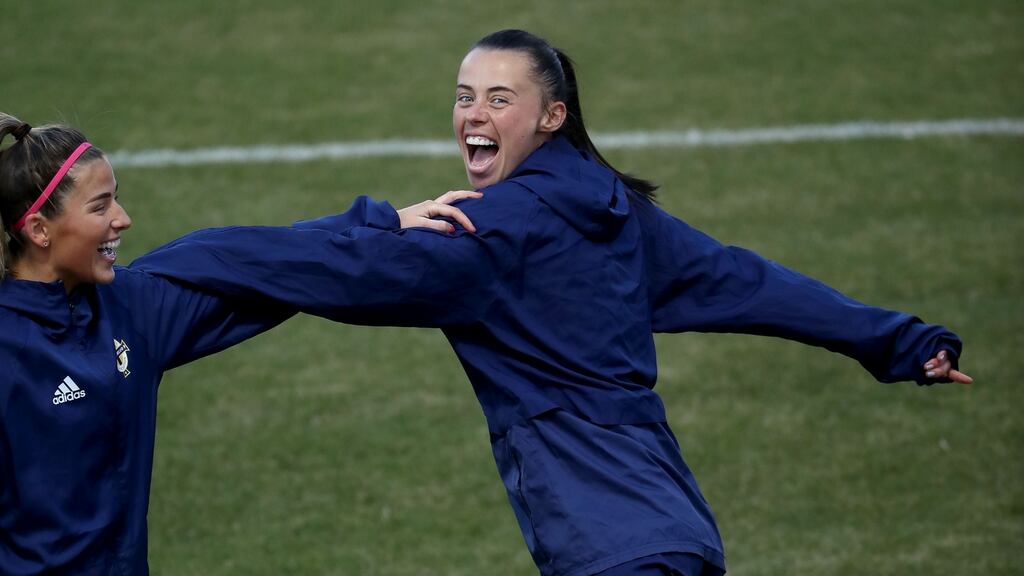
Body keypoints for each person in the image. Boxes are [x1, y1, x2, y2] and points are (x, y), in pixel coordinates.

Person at [135, 30, 972, 576]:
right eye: (465, 96)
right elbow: (751, 284)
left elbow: (321, 270)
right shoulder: (617, 210)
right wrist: (893, 341)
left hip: (612, 550)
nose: (474, 113)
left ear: (553, 116)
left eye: (500, 98)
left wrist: (193, 254)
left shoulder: (487, 237)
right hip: (677, 535)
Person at [0, 112, 481, 575]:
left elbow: (252, 262)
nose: (123, 219)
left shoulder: (125, 310)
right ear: (40, 229)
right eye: (100, 206)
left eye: (116, 199)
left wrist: (381, 224)